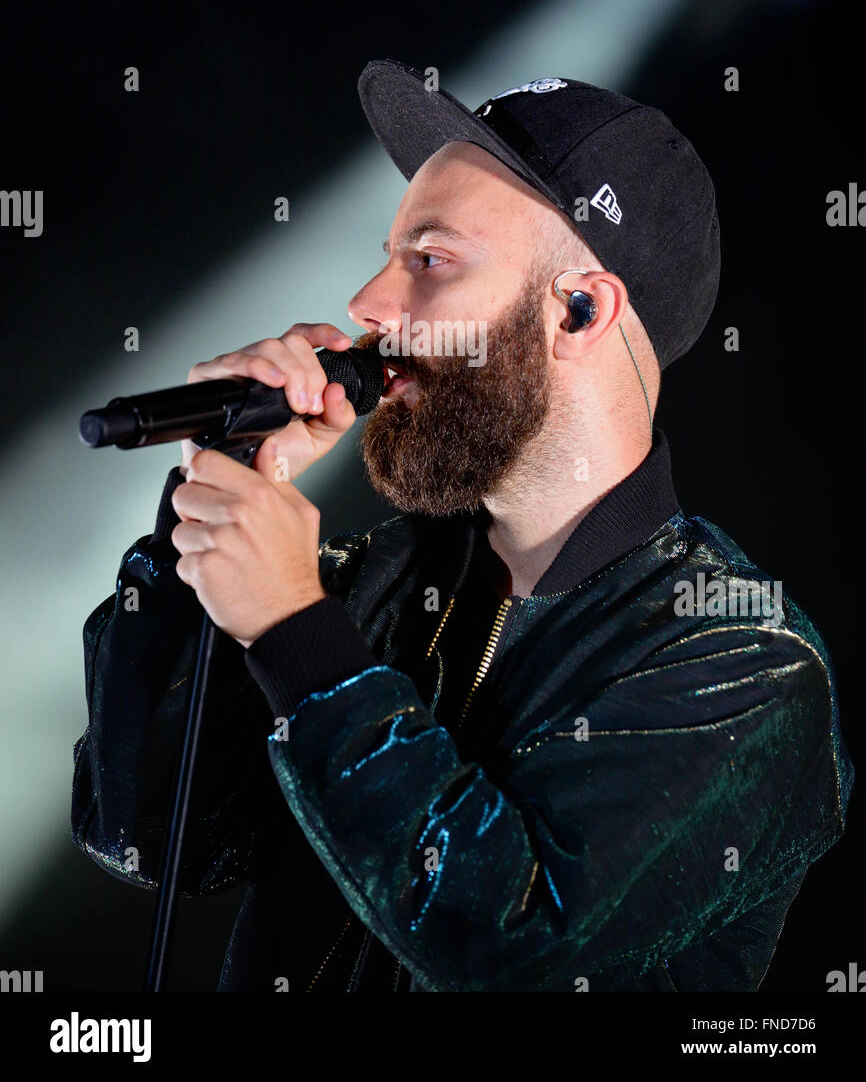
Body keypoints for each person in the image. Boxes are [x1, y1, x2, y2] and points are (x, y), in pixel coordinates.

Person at [71, 59, 854, 992]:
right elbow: (145, 837)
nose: (368, 304)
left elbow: (506, 948)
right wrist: (217, 502)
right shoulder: (373, 585)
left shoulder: (741, 661)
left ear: (579, 309)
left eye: (429, 259)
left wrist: (297, 637)